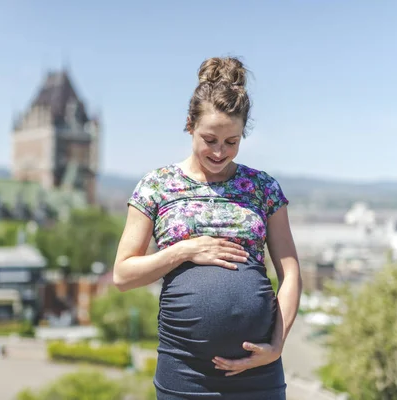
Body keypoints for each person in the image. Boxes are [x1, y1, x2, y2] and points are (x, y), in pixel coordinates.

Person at [113, 56, 302, 399]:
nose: (219, 152)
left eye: (232, 141)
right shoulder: (157, 185)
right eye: (210, 139)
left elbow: (290, 274)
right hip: (185, 371)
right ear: (189, 125)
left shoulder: (263, 187)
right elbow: (123, 275)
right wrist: (186, 249)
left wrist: (277, 344)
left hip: (258, 371)